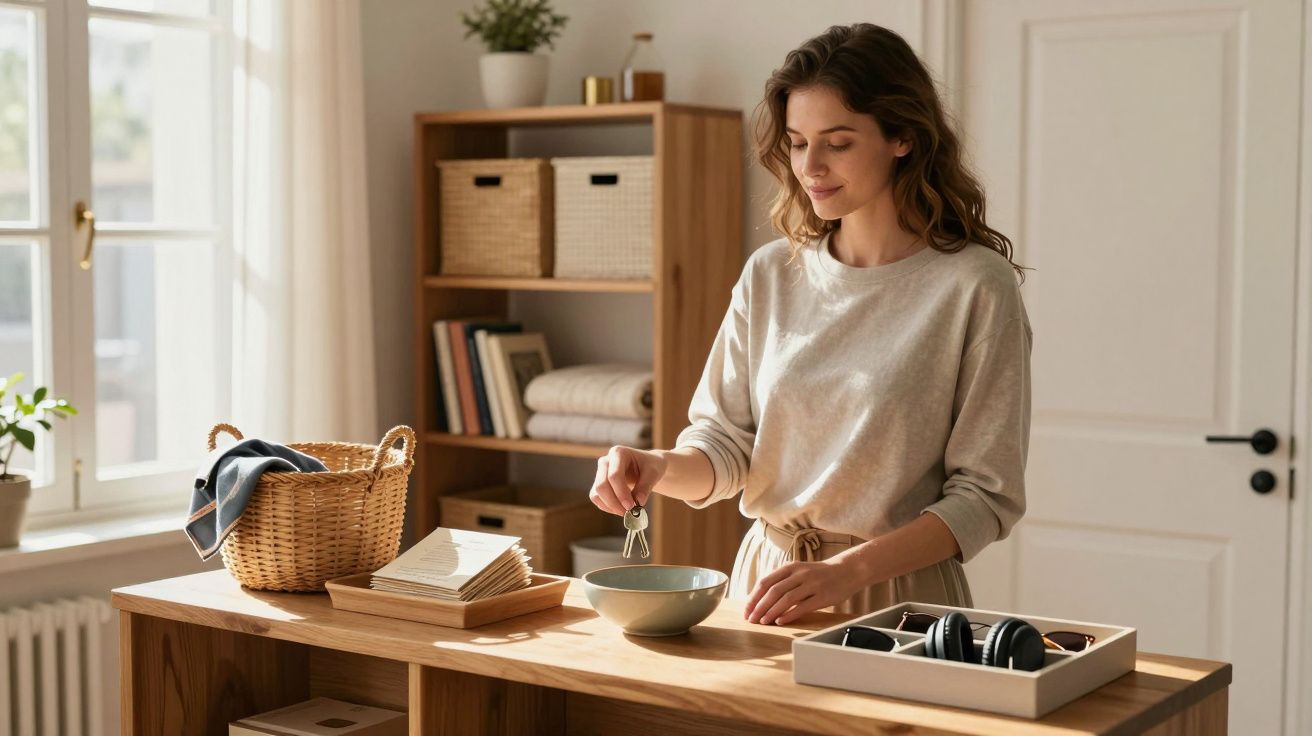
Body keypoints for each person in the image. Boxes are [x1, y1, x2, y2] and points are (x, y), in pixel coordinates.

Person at [589, 22, 1032, 626]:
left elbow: (985, 497)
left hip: (900, 604)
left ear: (903, 136)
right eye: (797, 142)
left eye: (838, 142)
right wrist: (660, 467)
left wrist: (849, 572)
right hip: (767, 589)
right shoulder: (770, 274)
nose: (810, 166)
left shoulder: (974, 286)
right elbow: (726, 445)